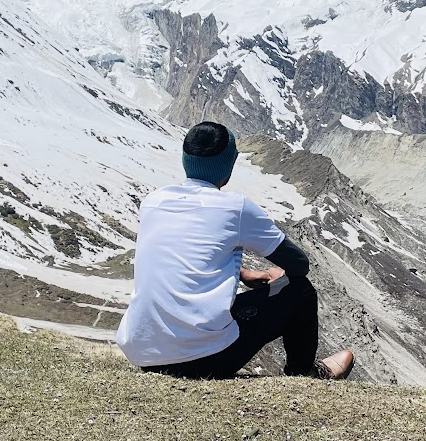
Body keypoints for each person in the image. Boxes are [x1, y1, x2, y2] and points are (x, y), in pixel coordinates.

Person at [117, 120, 355, 380]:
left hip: (143, 353)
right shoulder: (235, 208)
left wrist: (244, 273)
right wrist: (272, 275)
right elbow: (299, 264)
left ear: (185, 159)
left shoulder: (154, 201)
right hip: (199, 361)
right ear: (229, 166)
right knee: (301, 292)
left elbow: (181, 256)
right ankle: (305, 373)